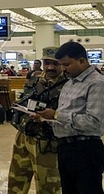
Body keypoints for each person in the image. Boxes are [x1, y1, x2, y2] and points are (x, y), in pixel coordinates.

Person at [35, 41, 104, 194]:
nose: (63, 69)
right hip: (65, 148)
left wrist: (56, 115)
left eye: (67, 64)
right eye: (62, 65)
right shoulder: (69, 83)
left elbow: (94, 122)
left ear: (82, 60)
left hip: (85, 149)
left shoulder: (97, 84)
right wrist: (46, 118)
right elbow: (63, 117)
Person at [7, 46, 67, 194]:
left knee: (48, 185)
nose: (50, 67)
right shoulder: (35, 80)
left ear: (62, 64)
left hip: (47, 142)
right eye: (47, 63)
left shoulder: (69, 85)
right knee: (16, 180)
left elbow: (69, 114)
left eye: (55, 63)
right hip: (24, 135)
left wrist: (52, 115)